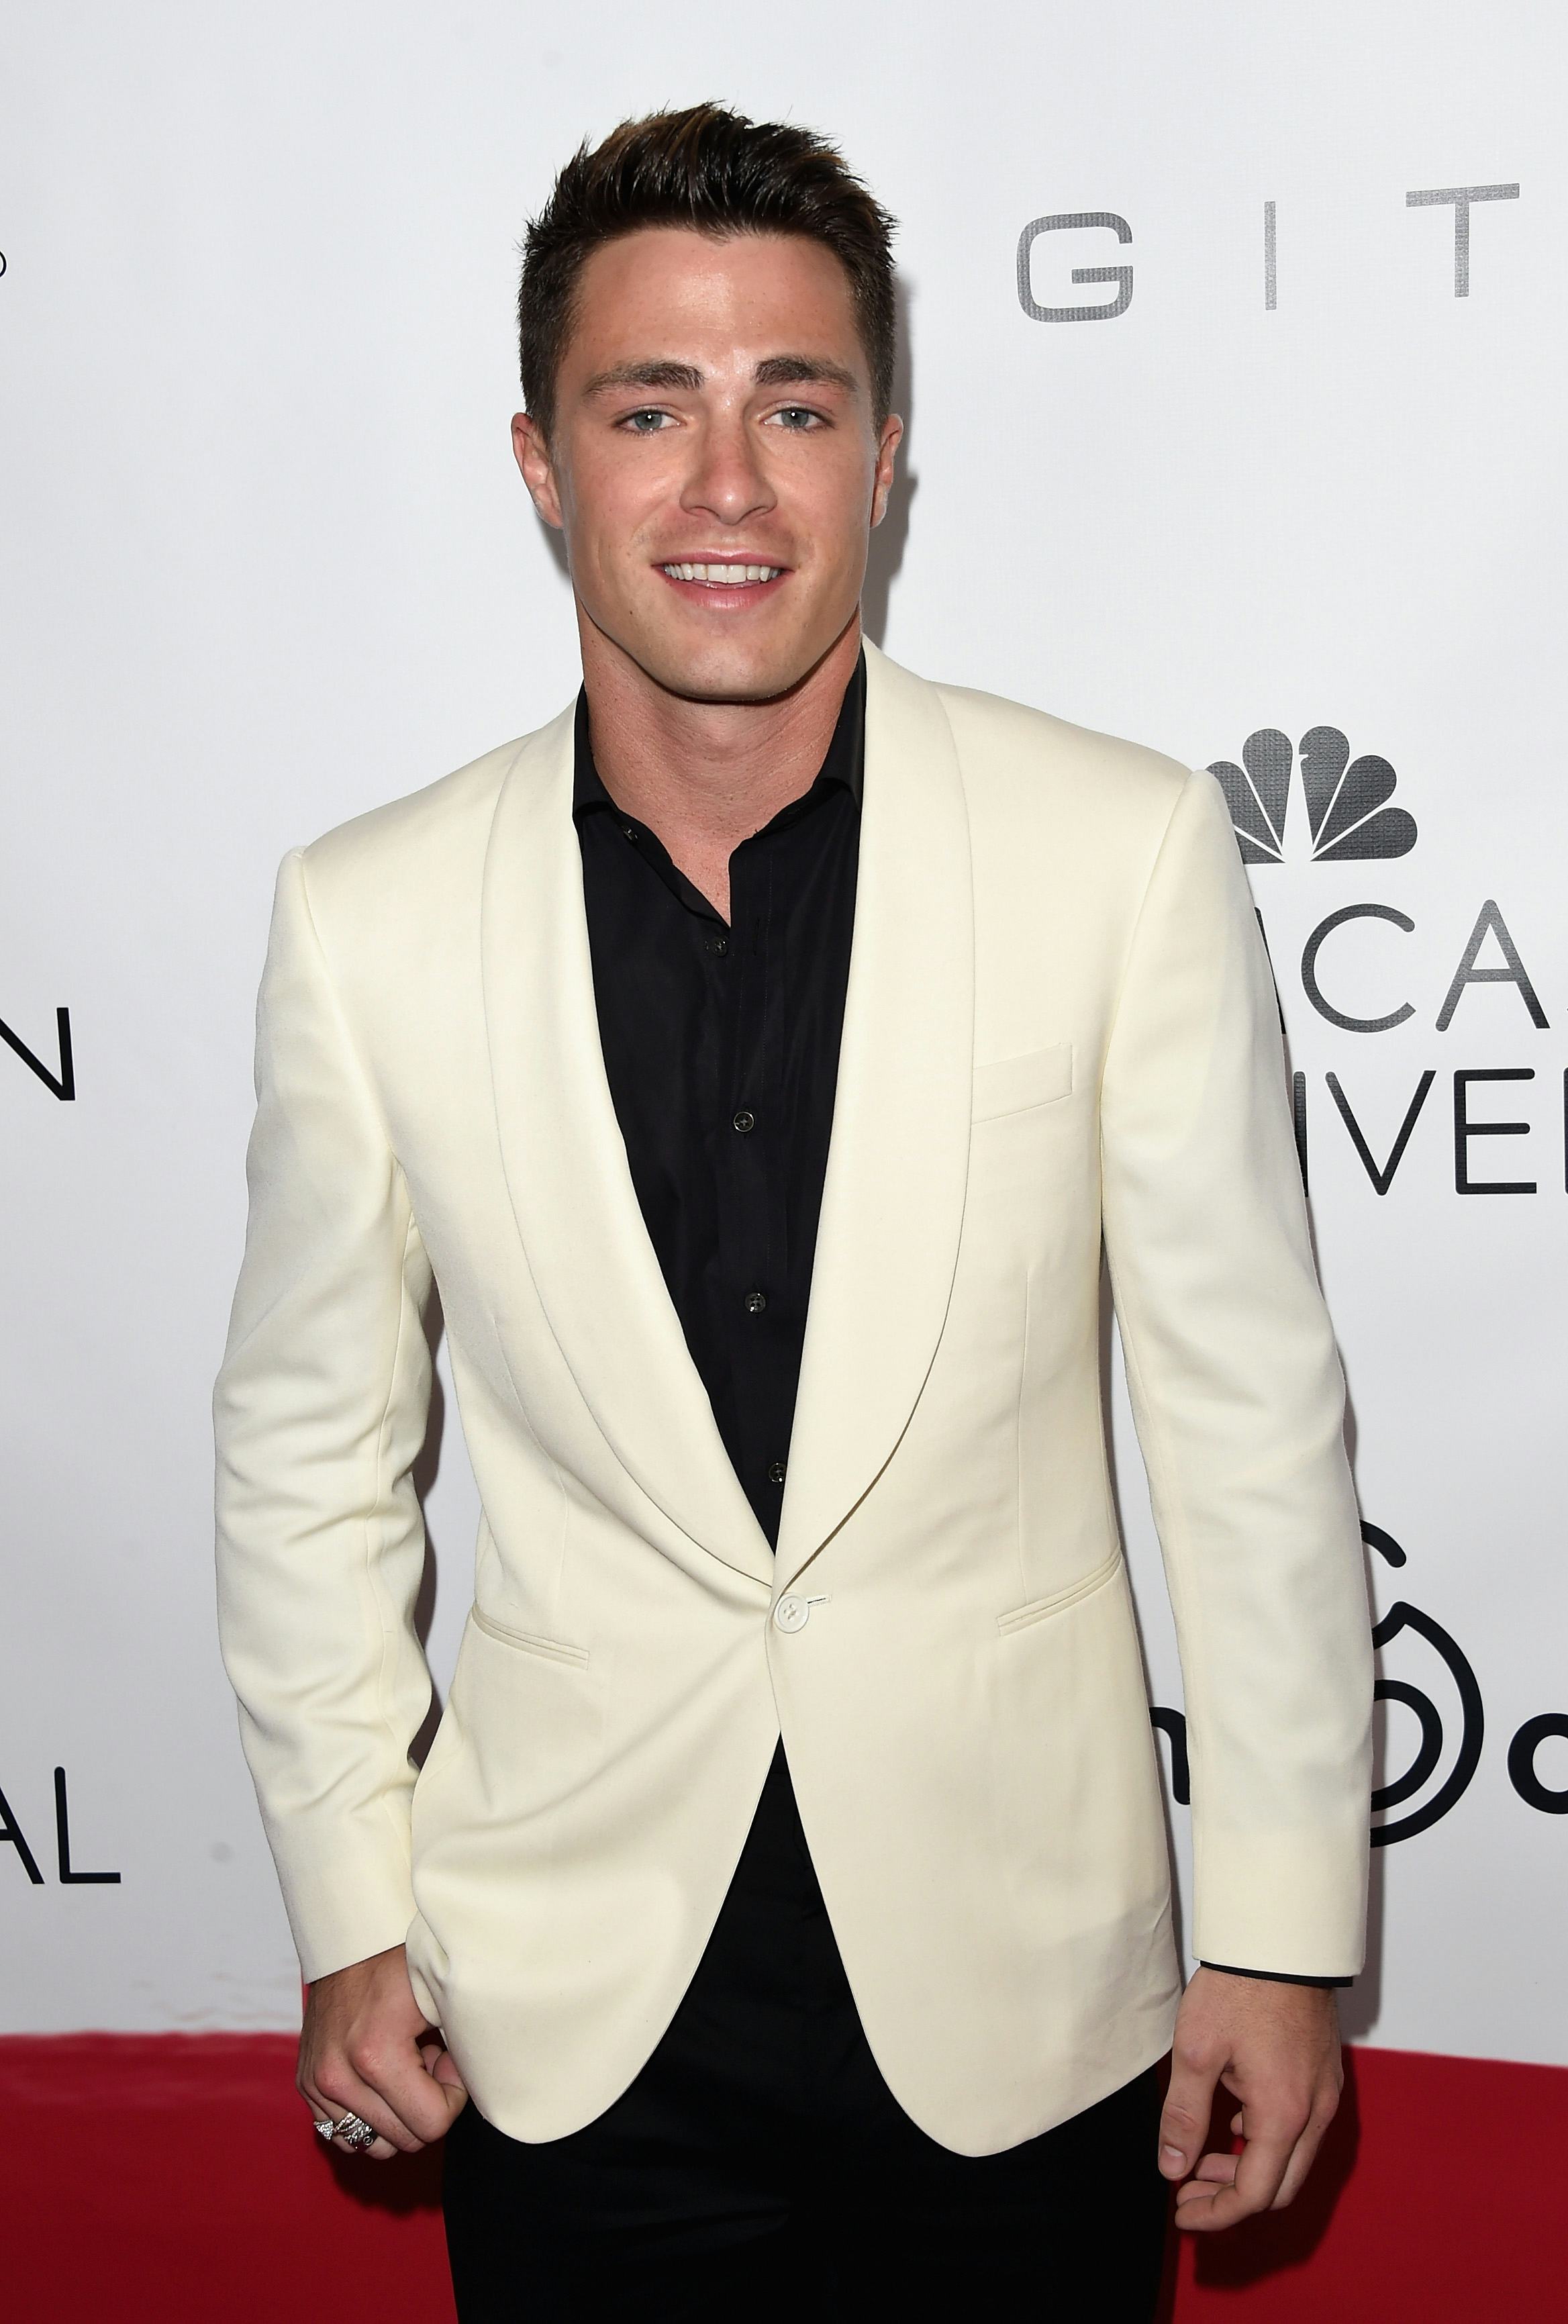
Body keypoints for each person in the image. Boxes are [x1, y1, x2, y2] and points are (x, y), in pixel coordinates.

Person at [214, 103, 1372, 2322]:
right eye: (650, 408)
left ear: (886, 458)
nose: (728, 485)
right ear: (543, 463)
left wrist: (1282, 1928)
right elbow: (306, 1454)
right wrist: (352, 1903)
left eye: (798, 407)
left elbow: (1248, 1431)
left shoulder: (1116, 851)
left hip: (1030, 2004)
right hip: (566, 2013)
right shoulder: (368, 917)